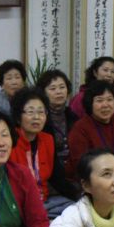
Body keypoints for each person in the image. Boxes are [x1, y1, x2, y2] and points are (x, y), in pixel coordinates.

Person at [9, 88, 80, 218]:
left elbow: (57, 178)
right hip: (19, 206)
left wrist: (79, 196)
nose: (36, 117)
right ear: (18, 117)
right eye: (30, 112)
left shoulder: (47, 140)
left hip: (45, 202)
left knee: (78, 209)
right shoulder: (9, 141)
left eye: (41, 112)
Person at [36, 68, 77, 165]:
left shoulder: (73, 117)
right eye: (52, 88)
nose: (59, 92)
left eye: (62, 87)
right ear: (43, 93)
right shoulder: (39, 118)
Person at [69, 56, 114, 121]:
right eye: (105, 70)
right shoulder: (80, 98)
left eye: (113, 72)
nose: (109, 75)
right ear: (95, 73)